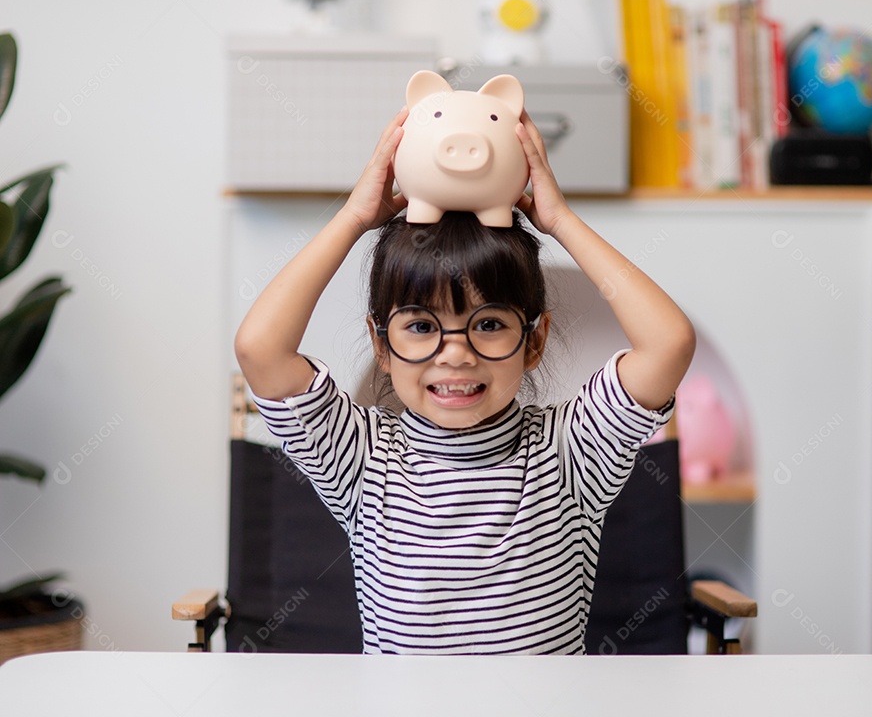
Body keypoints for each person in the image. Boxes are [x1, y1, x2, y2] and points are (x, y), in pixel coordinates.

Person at [234, 106, 696, 654]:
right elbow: (259, 348)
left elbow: (668, 342)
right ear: (382, 345)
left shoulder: (571, 451)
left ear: (535, 340)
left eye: (490, 324)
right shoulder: (362, 459)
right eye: (422, 326)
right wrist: (355, 216)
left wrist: (562, 222)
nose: (455, 355)